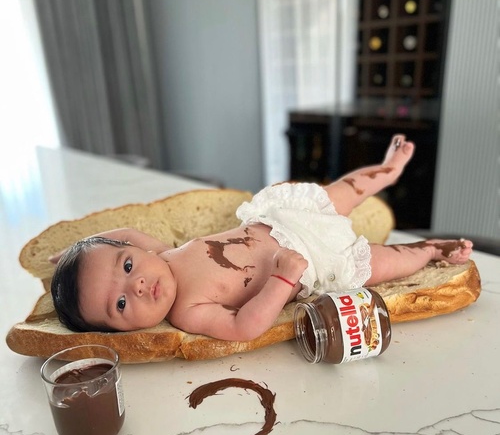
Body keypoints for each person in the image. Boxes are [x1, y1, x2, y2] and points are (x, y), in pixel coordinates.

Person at [50, 135, 473, 340]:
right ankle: (430, 249)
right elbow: (244, 326)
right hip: (315, 262)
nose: (138, 285)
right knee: (385, 263)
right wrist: (282, 281)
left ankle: (387, 170)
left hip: (286, 219)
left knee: (343, 190)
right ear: (116, 332)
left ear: (134, 250)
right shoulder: (188, 312)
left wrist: (77, 247)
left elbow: (124, 233)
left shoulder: (163, 253)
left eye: (126, 266)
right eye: (121, 304)